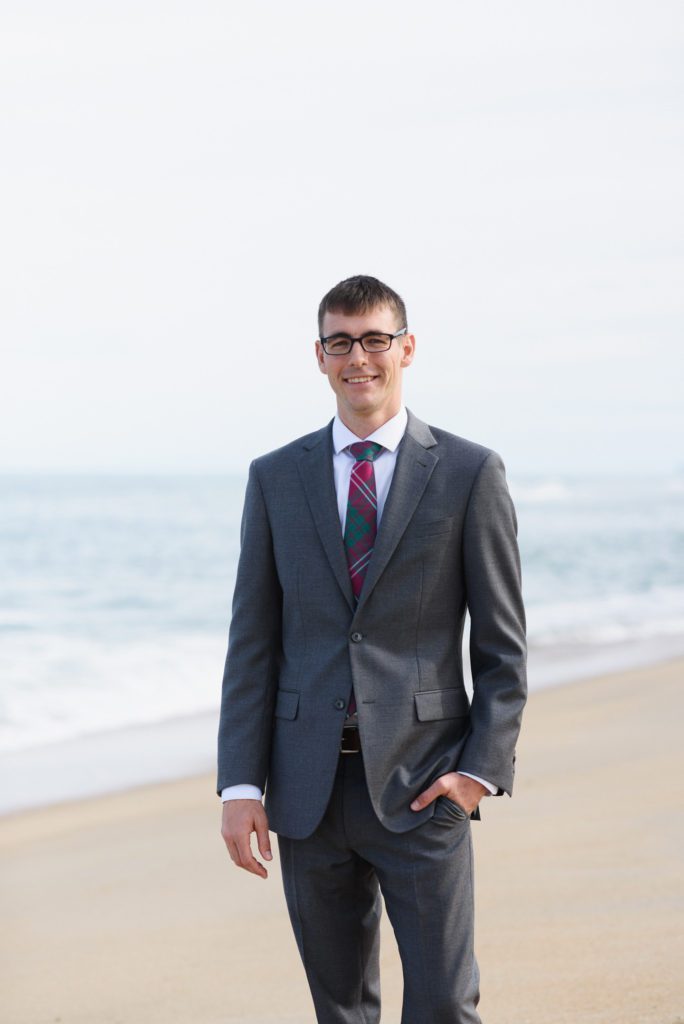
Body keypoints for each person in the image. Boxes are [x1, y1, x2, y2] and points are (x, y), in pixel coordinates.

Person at [217, 274, 527, 1024]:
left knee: (445, 1003)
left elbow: (502, 646)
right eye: (341, 342)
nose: (359, 357)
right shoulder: (275, 477)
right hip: (305, 790)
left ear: (406, 348)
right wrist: (239, 787)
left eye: (376, 340)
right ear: (319, 356)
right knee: (341, 1009)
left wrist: (478, 774)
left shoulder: (467, 473)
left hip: (424, 785)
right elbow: (252, 642)